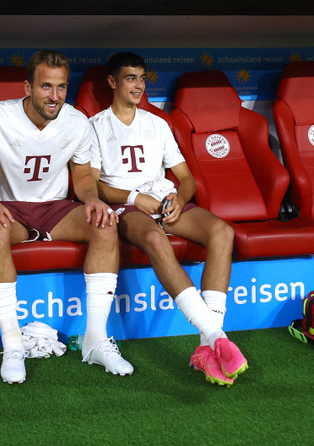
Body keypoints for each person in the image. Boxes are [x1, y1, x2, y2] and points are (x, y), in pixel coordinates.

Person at [0, 49, 129, 384]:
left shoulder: (76, 121)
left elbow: (83, 176)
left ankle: (96, 339)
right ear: (27, 87)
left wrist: (93, 201)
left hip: (54, 207)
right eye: (45, 87)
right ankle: (12, 345)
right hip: (7, 206)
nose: (54, 96)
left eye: (61, 87)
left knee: (105, 223)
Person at [89, 51, 248, 387]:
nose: (139, 85)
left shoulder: (157, 123)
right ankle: (216, 335)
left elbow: (186, 178)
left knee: (222, 232)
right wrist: (134, 198)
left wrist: (179, 197)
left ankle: (208, 347)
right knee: (154, 238)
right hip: (126, 206)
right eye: (131, 78)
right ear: (112, 82)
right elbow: (91, 186)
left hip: (164, 200)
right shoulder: (95, 127)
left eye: (143, 78)